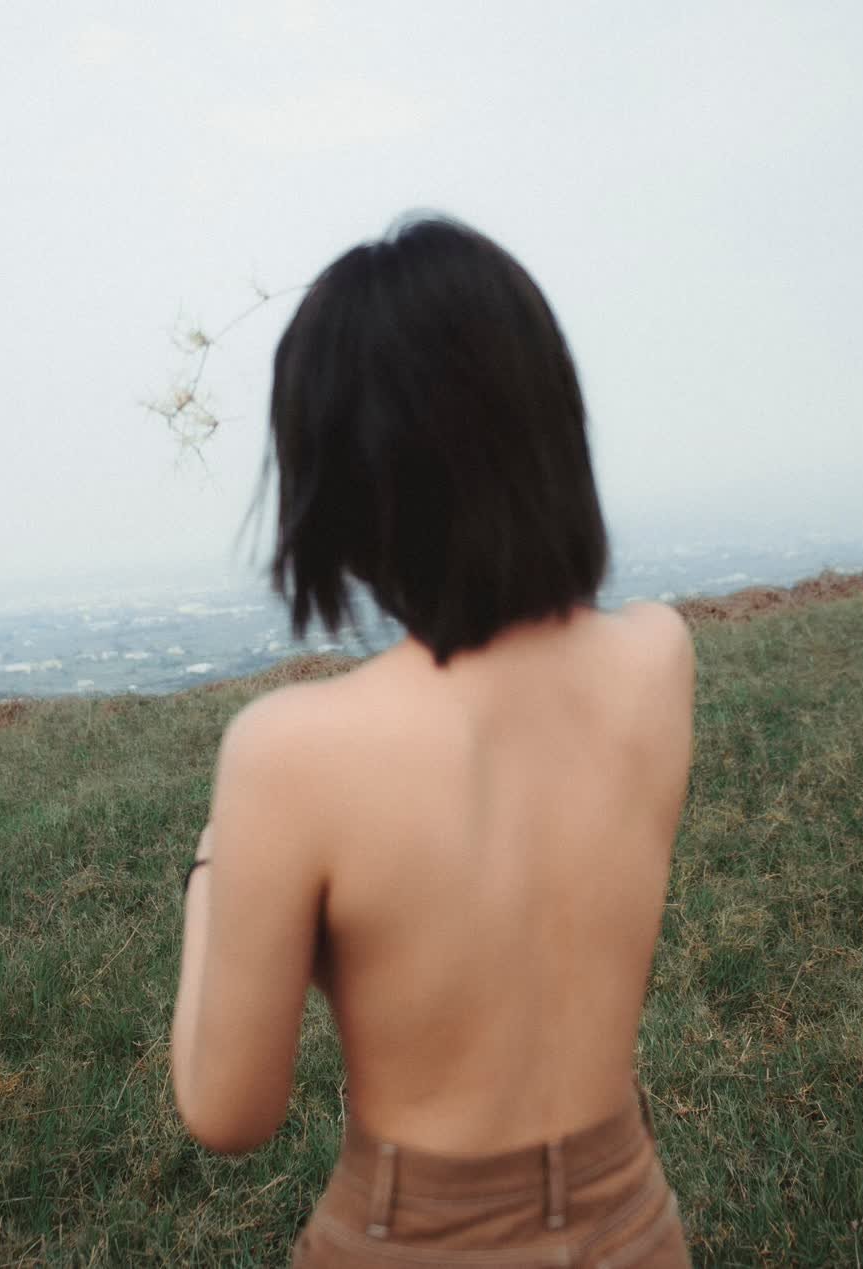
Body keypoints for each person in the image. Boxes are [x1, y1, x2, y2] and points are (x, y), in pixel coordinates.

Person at [170, 212, 696, 1267]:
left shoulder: (292, 754)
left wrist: (210, 872)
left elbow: (228, 1112)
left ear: (341, 494)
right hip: (633, 1226)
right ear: (552, 426)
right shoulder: (658, 656)